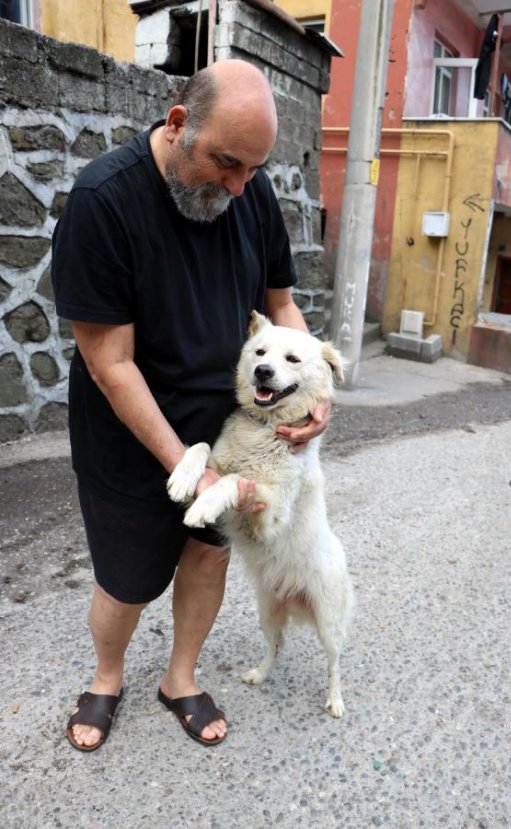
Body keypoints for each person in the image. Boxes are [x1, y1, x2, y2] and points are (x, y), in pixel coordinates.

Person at [52, 59, 330, 750]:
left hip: (232, 427)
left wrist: (307, 397)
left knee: (208, 556)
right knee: (127, 577)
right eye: (227, 163)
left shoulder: (250, 189)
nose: (239, 186)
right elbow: (109, 364)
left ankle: (179, 675)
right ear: (178, 125)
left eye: (252, 171)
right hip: (129, 430)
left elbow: (281, 304)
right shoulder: (104, 202)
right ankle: (108, 675)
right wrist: (186, 468)